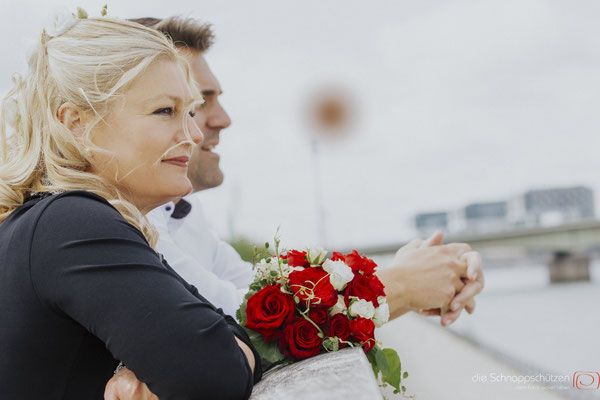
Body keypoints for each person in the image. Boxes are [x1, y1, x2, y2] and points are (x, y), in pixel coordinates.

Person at [105, 16, 484, 400]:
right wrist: (399, 285)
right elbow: (229, 321)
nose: (220, 120)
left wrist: (411, 279)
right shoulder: (116, 222)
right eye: (191, 104)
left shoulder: (184, 213)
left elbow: (253, 291)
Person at [0, 14, 260, 400]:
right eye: (164, 111)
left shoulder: (55, 221)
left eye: (189, 112)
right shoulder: (73, 223)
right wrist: (235, 349)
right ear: (76, 124)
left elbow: (216, 330)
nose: (192, 133)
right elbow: (214, 371)